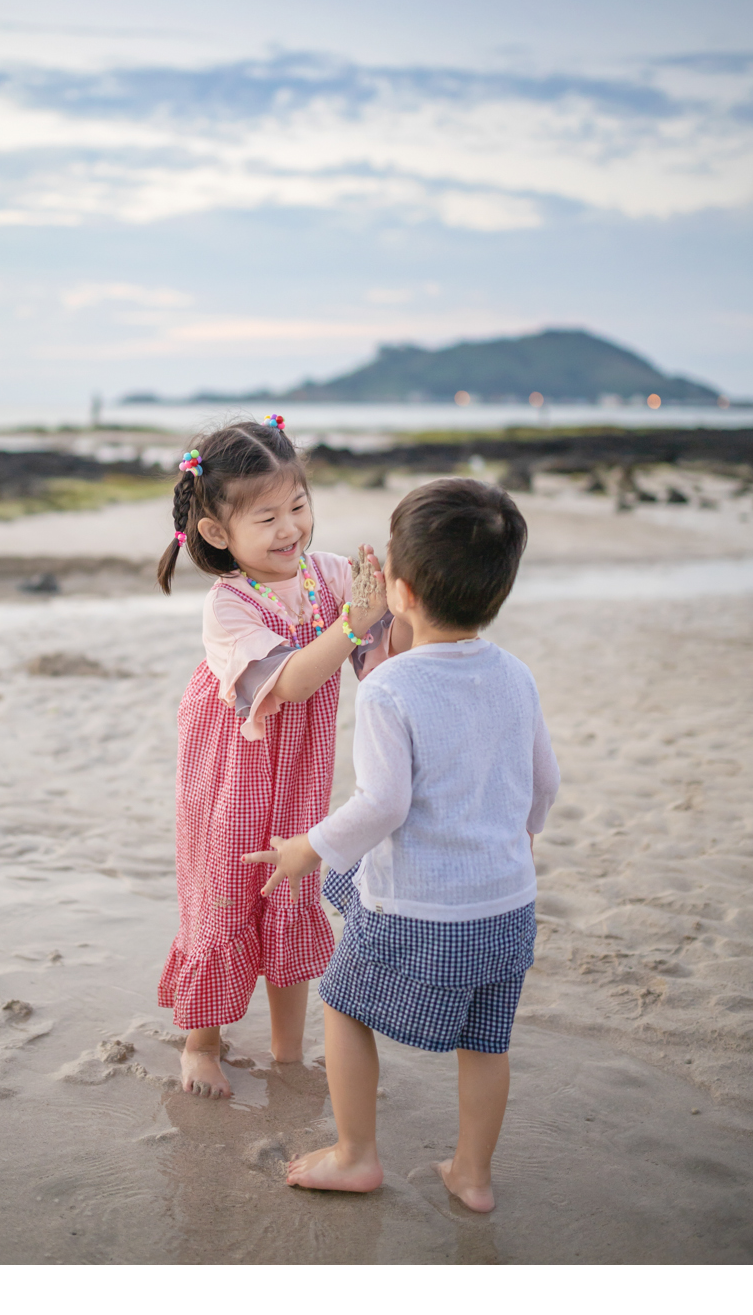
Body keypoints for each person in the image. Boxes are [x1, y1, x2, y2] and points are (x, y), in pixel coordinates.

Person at [244, 478, 560, 1212]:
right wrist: (524, 837)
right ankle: (472, 1175)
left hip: (419, 909)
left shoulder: (392, 688)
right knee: (487, 1040)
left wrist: (306, 848)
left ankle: (356, 1154)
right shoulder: (515, 674)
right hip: (508, 907)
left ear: (401, 591)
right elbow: (545, 781)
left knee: (343, 1002)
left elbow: (383, 805)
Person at [155, 417, 396, 1098]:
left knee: (289, 886)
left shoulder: (330, 576)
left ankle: (288, 1052)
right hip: (231, 772)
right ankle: (201, 1043)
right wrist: (352, 622)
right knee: (227, 890)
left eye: (298, 505)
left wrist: (391, 610)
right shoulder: (228, 604)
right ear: (216, 532)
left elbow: (379, 660)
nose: (290, 528)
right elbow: (290, 682)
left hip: (299, 775)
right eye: (266, 517)